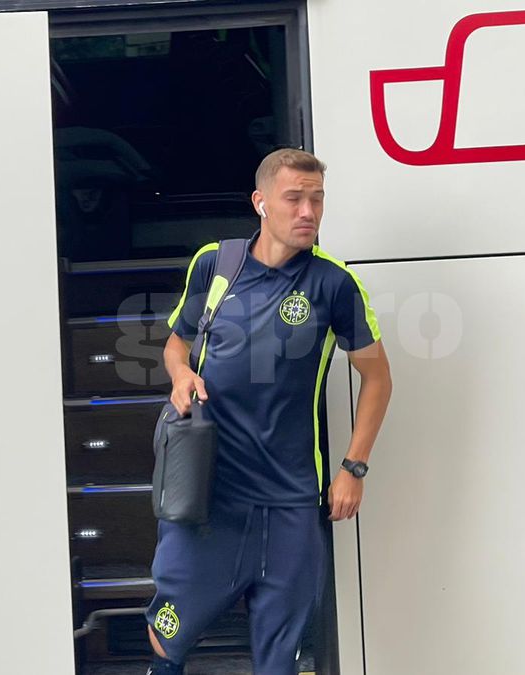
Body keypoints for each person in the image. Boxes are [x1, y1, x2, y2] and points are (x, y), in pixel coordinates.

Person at [145, 148, 392, 674]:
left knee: (282, 654)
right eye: (294, 199)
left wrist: (354, 467)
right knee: (169, 625)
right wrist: (181, 375)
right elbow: (175, 346)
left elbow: (378, 378)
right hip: (210, 493)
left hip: (291, 500)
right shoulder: (216, 263)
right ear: (261, 203)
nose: (308, 212)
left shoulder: (334, 283)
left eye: (317, 200)